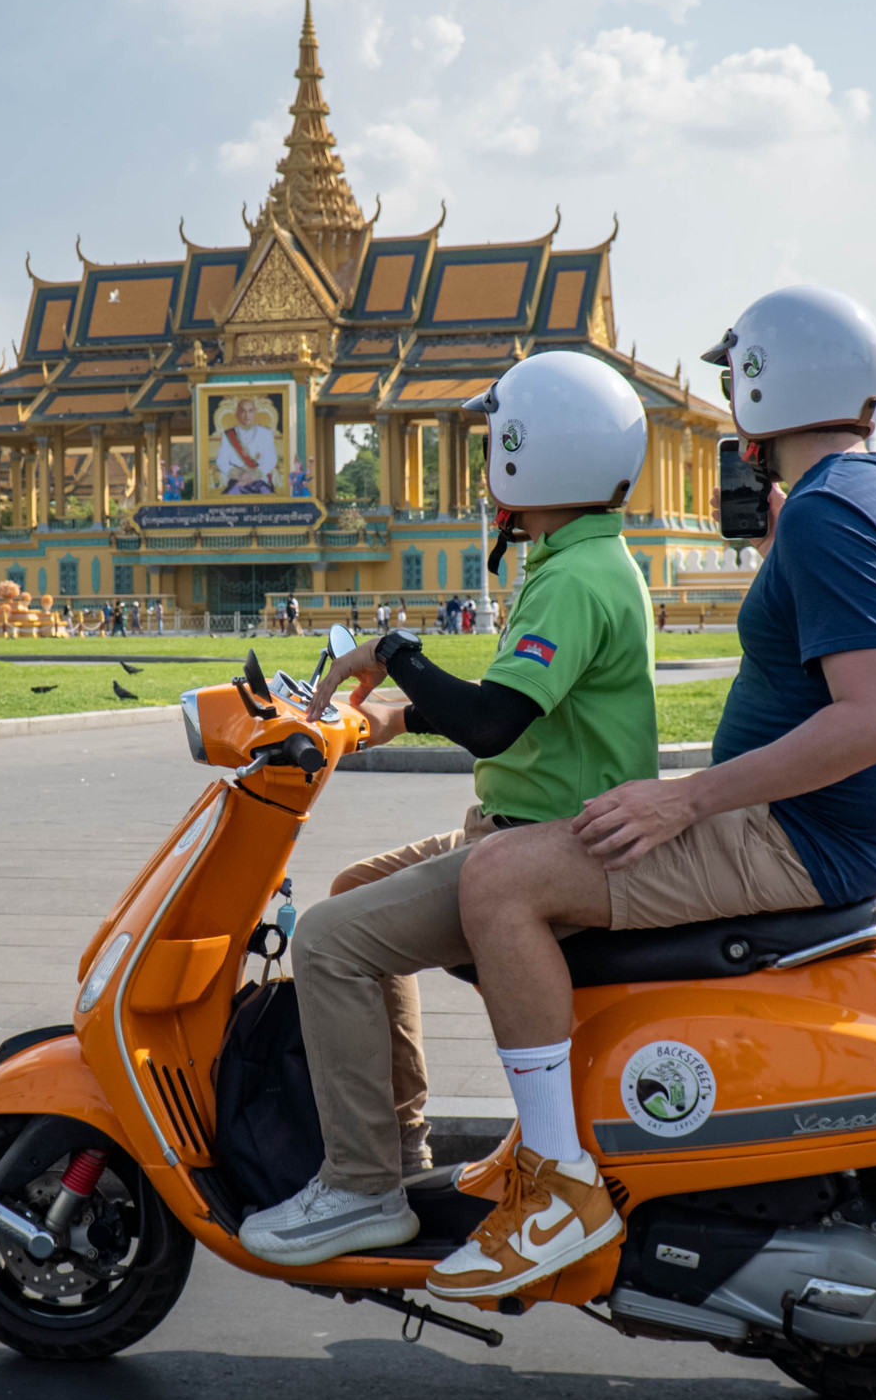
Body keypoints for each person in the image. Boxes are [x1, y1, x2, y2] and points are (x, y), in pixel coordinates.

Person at [436, 284, 876, 1305]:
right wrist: (778, 541)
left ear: (763, 385)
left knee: (498, 880)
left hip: (796, 833)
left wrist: (687, 799)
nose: (729, 402)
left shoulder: (828, 516)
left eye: (735, 380)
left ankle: (557, 1185)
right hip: (838, 828)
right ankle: (567, 1135)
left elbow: (875, 718)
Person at [235, 349, 657, 1268]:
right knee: (354, 889)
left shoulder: (574, 577)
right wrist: (398, 712)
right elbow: (522, 704)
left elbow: (493, 723)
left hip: (548, 849)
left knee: (328, 940)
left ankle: (358, 1186)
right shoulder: (579, 558)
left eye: (497, 439)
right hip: (532, 830)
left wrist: (397, 653)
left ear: (531, 450)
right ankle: (398, 1151)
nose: (486, 459)